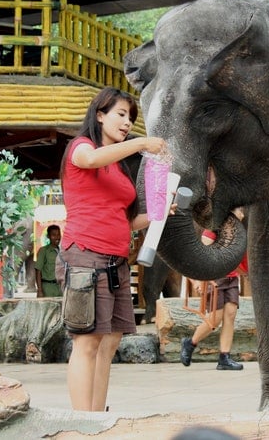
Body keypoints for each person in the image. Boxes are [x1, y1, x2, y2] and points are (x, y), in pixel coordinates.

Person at [56, 87, 171, 411]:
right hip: (85, 256)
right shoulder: (82, 148)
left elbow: (125, 219)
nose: (126, 123)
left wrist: (159, 213)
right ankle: (83, 424)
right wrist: (141, 142)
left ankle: (97, 415)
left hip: (116, 260)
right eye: (121, 115)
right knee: (87, 341)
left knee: (110, 341)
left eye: (130, 118)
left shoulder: (119, 167)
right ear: (100, 114)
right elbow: (90, 160)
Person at [180, 209, 247, 371]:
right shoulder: (213, 229)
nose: (242, 214)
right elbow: (200, 256)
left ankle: (224, 357)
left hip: (231, 278)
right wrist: (197, 280)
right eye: (239, 210)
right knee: (214, 320)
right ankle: (190, 342)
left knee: (230, 315)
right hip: (215, 278)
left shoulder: (238, 233)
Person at [34, 224, 62, 297]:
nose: (57, 237)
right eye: (54, 235)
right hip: (47, 288)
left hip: (60, 288)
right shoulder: (43, 251)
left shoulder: (62, 251)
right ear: (48, 236)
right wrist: (39, 290)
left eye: (58, 234)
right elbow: (38, 271)